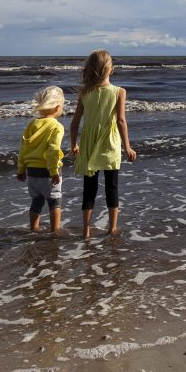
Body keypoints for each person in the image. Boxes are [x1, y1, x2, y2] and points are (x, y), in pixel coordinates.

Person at [70, 50, 137, 239]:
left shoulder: (85, 93)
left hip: (89, 142)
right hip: (110, 142)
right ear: (110, 69)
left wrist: (73, 144)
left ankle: (86, 231)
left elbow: (75, 123)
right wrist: (127, 147)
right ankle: (112, 227)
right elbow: (121, 121)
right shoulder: (119, 92)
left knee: (89, 188)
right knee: (112, 186)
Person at [16, 85, 65, 235]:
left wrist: (21, 168)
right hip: (48, 170)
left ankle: (33, 229)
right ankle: (55, 231)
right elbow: (53, 150)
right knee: (54, 201)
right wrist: (54, 171)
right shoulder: (57, 126)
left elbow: (24, 147)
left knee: (36, 200)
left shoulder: (32, 124)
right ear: (57, 107)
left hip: (32, 171)